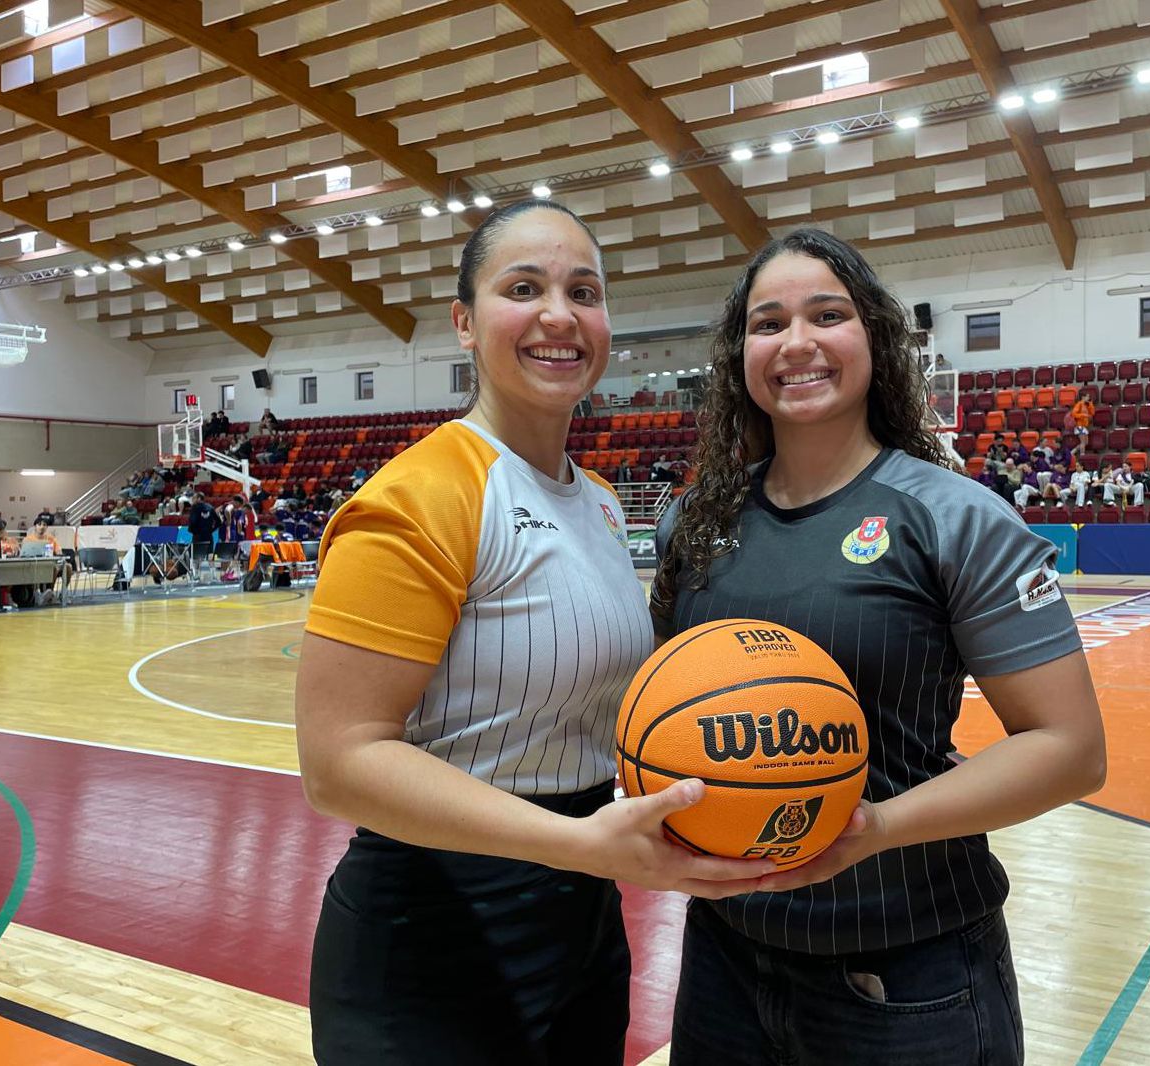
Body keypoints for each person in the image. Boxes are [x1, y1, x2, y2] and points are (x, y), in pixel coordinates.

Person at [294, 200, 767, 1066]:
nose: (559, 314)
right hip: (430, 932)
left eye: (582, 291)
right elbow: (338, 764)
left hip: (579, 919)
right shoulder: (417, 496)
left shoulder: (590, 498)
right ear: (465, 324)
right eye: (524, 288)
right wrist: (577, 843)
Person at [650, 228, 1105, 1066]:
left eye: (827, 314)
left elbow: (1069, 750)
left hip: (908, 963)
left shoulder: (952, 516)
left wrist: (876, 826)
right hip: (723, 955)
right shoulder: (695, 521)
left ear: (875, 338)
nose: (796, 343)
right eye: (766, 322)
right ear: (736, 353)